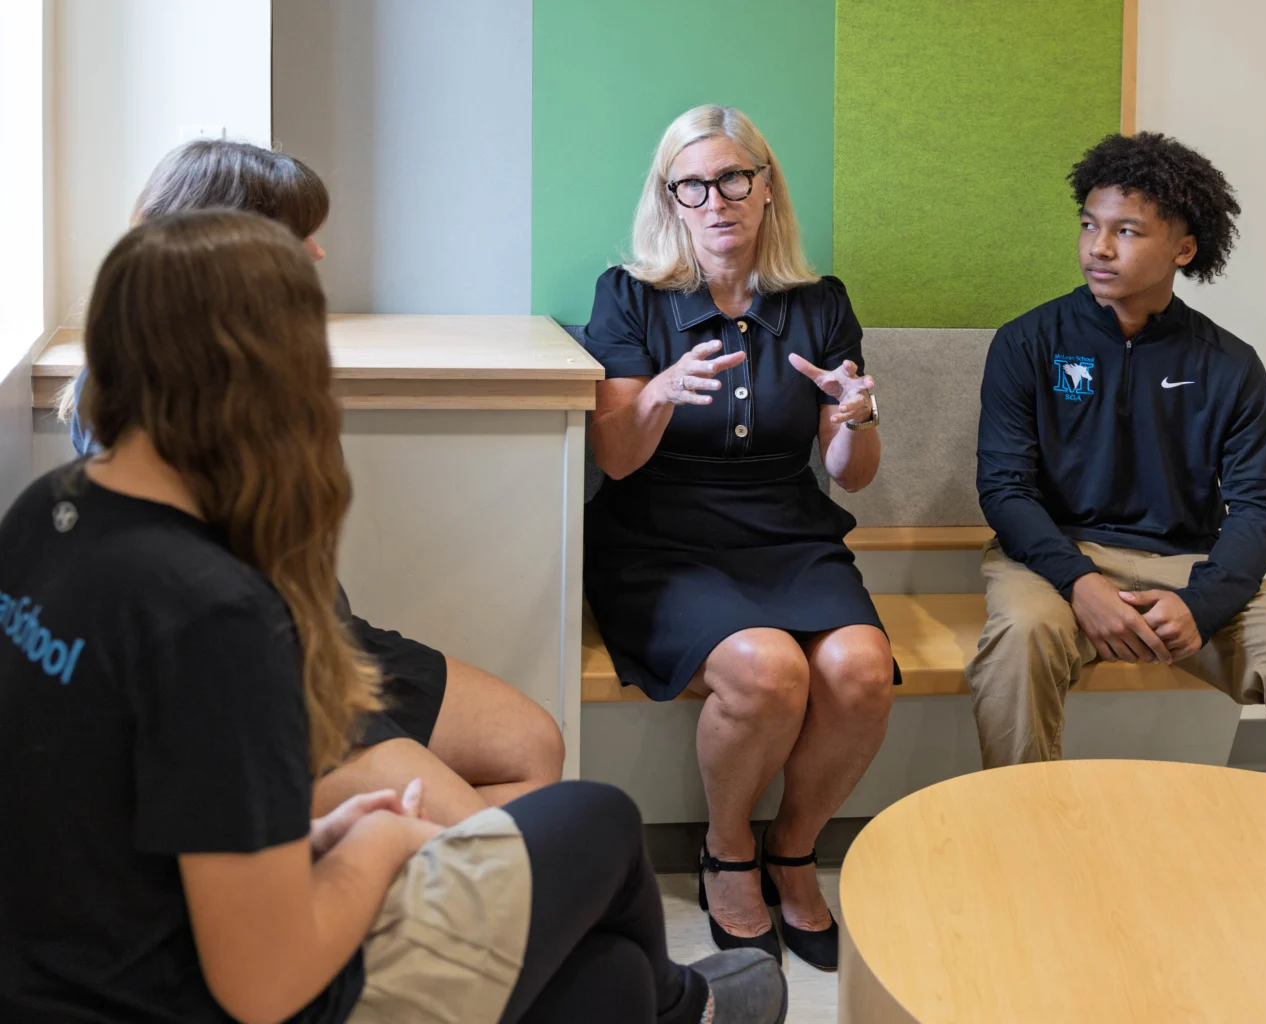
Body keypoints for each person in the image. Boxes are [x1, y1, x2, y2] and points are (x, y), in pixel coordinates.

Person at [0, 210, 786, 1024]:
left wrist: (307, 844)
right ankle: (686, 1005)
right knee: (597, 820)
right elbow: (262, 987)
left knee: (608, 982)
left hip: (80, 964)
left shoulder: (44, 513)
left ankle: (668, 1005)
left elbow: (122, 805)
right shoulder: (214, 615)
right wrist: (372, 849)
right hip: (203, 994)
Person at [59, 139, 564, 826]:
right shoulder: (133, 403)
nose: (318, 253)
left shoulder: (263, 363)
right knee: (484, 841)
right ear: (227, 243)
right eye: (300, 234)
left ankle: (369, 866)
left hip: (323, 639)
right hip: (261, 685)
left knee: (533, 751)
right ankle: (376, 857)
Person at [582, 105, 894, 970]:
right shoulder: (630, 296)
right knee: (766, 669)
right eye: (691, 184)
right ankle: (725, 850)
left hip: (787, 529)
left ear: (764, 188)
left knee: (861, 671)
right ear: (670, 199)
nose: (714, 200)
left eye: (732, 179)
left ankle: (792, 849)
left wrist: (857, 413)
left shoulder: (819, 303)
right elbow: (614, 455)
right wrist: (657, 394)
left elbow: (852, 471)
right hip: (659, 536)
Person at [966, 132, 1266, 789]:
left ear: (1182, 248)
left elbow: (1260, 511)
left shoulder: (1228, 364)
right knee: (1020, 640)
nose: (1097, 248)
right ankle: (1021, 849)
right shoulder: (1027, 343)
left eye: (1125, 231)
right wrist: (1080, 583)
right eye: (1089, 226)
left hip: (1185, 565)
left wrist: (1201, 604)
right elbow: (1004, 489)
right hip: (1055, 558)